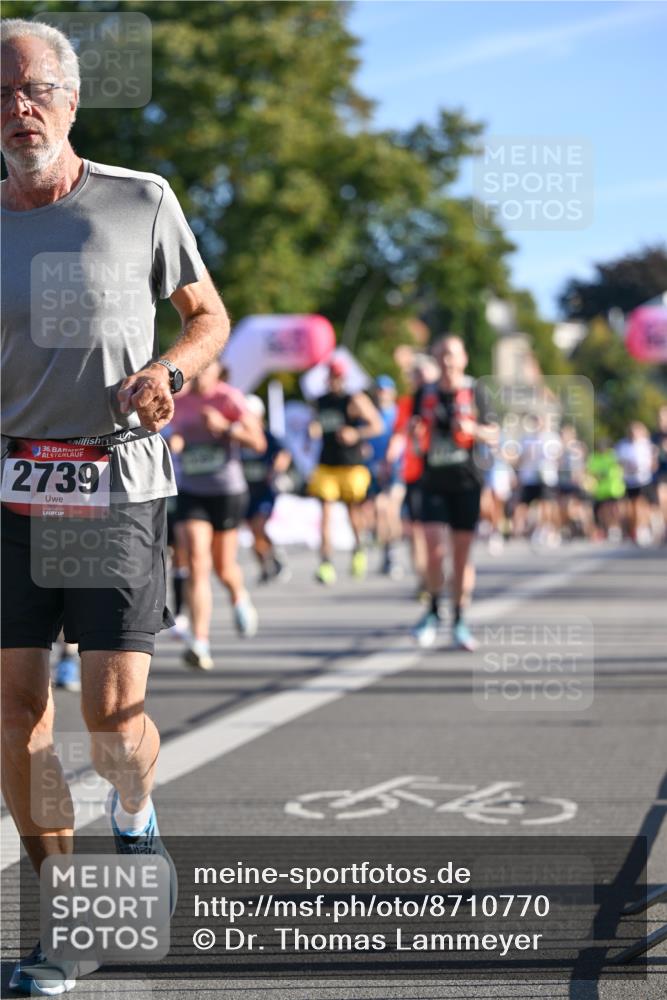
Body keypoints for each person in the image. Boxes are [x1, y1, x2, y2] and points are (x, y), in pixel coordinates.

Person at [1, 19, 230, 995]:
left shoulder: (141, 200)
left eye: (33, 90)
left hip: (116, 481)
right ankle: (65, 918)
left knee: (106, 717)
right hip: (11, 490)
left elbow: (208, 317)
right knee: (16, 714)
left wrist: (168, 373)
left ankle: (135, 821)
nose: (17, 109)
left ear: (71, 99)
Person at [168, 361, 265, 669]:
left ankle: (239, 596)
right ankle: (200, 641)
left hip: (226, 491)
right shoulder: (180, 399)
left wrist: (226, 428)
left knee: (223, 567)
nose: (197, 376)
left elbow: (258, 443)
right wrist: (176, 440)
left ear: (217, 373)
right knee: (197, 561)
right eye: (193, 371)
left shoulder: (229, 398)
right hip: (191, 490)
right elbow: (173, 431)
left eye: (204, 370)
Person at [410, 336, 497, 651]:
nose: (447, 361)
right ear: (435, 359)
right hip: (433, 480)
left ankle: (459, 619)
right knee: (433, 550)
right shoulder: (424, 393)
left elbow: (494, 434)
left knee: (461, 556)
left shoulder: (476, 391)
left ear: (464, 359)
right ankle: (433, 609)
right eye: (442, 355)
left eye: (452, 355)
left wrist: (473, 430)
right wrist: (415, 435)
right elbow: (415, 434)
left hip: (466, 482)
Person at [307, 357, 382, 584]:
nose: (335, 381)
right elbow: (315, 424)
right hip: (327, 464)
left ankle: (358, 548)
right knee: (325, 515)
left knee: (353, 513)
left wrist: (356, 434)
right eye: (332, 376)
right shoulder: (319, 401)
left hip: (350, 464)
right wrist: (313, 430)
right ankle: (325, 563)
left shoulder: (354, 399)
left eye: (338, 376)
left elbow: (377, 425)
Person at [241, 394, 292, 584]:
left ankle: (273, 559)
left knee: (258, 526)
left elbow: (283, 454)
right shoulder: (238, 436)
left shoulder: (267, 436)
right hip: (245, 491)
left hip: (264, 490)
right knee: (254, 533)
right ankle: (266, 564)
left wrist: (276, 470)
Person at [364, 375, 404, 578]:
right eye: (379, 391)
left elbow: (402, 439)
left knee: (391, 509)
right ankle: (386, 551)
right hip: (376, 470)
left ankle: (393, 552)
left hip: (397, 469)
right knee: (379, 510)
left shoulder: (398, 413)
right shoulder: (370, 415)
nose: (382, 395)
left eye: (386, 391)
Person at [615, 421, 657, 546]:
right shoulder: (623, 445)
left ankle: (644, 528)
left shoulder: (647, 444)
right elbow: (618, 462)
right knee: (632, 507)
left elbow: (653, 462)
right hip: (630, 481)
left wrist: (648, 467)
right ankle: (635, 530)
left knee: (643, 506)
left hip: (644, 480)